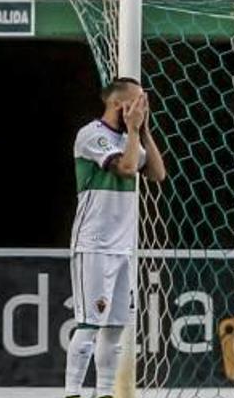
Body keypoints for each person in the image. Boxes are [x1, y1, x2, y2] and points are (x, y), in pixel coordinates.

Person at [65, 77, 167, 398]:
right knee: (89, 324)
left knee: (115, 326)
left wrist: (143, 130)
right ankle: (72, 393)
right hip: (94, 243)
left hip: (123, 247)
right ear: (118, 105)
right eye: (138, 102)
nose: (143, 108)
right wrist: (134, 131)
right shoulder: (91, 135)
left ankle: (106, 393)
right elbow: (125, 169)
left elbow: (157, 174)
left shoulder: (132, 138)